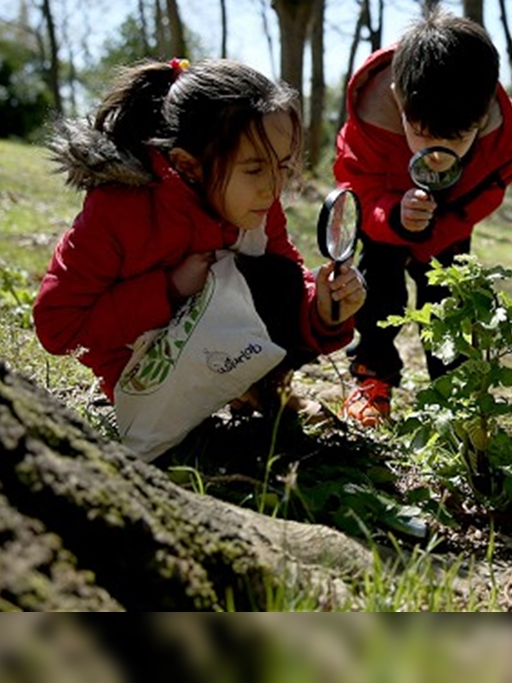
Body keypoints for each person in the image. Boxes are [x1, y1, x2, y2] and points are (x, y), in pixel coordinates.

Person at [34, 57, 365, 435]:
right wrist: (169, 289)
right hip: (145, 379)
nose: (272, 188)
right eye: (255, 169)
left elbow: (288, 288)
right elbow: (57, 326)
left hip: (219, 351)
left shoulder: (259, 204)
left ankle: (264, 388)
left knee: (281, 278)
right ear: (189, 166)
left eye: (283, 167)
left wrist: (324, 310)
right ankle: (222, 400)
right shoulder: (119, 208)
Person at [333, 7, 512, 426]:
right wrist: (394, 219)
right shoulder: (372, 113)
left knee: (448, 306)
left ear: (483, 111)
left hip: (451, 222)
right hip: (386, 219)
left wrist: (443, 228)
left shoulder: (499, 125)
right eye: (420, 132)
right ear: (399, 98)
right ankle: (372, 376)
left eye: (456, 138)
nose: (437, 152)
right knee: (378, 293)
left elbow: (496, 184)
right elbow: (356, 185)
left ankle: (452, 395)